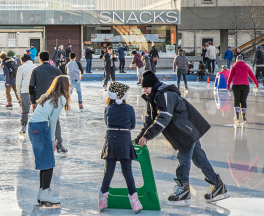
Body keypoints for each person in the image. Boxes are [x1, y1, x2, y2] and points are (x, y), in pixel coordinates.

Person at [136, 71, 230, 205]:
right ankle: (218, 185)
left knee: (183, 158)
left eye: (146, 87)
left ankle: (183, 190)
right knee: (199, 159)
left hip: (186, 129)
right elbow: (149, 120)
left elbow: (164, 117)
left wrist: (148, 136)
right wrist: (140, 137)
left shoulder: (164, 94)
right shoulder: (153, 97)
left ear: (153, 85)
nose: (144, 90)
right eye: (143, 88)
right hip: (183, 130)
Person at [99, 82, 142, 213]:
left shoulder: (108, 109)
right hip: (124, 139)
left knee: (109, 171)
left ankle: (102, 201)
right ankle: (134, 203)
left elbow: (107, 123)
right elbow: (133, 125)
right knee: (127, 171)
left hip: (111, 139)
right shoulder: (129, 108)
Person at [28, 75, 71, 208]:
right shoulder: (61, 98)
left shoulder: (48, 96)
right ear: (64, 85)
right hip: (40, 127)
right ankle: (45, 194)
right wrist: (53, 140)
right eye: (69, 83)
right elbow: (53, 121)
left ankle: (42, 193)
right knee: (49, 163)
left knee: (44, 163)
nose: (70, 85)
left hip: (33, 126)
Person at [29, 51, 67, 154]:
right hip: (55, 99)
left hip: (40, 101)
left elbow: (31, 87)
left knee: (41, 121)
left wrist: (32, 101)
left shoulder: (36, 70)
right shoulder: (56, 70)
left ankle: (42, 144)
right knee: (55, 121)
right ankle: (58, 144)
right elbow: (63, 83)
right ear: (49, 58)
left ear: (40, 59)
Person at [227, 55, 259, 123]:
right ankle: (244, 117)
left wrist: (228, 85)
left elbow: (230, 77)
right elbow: (252, 76)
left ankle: (237, 117)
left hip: (236, 85)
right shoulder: (247, 67)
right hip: (245, 86)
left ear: (237, 59)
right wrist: (256, 84)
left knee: (237, 100)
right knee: (243, 101)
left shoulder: (234, 66)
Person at [16, 53, 37, 135]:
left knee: (25, 111)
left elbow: (18, 82)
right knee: (36, 110)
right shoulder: (35, 67)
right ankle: (36, 127)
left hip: (25, 91)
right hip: (35, 91)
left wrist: (19, 94)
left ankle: (23, 126)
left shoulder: (21, 68)